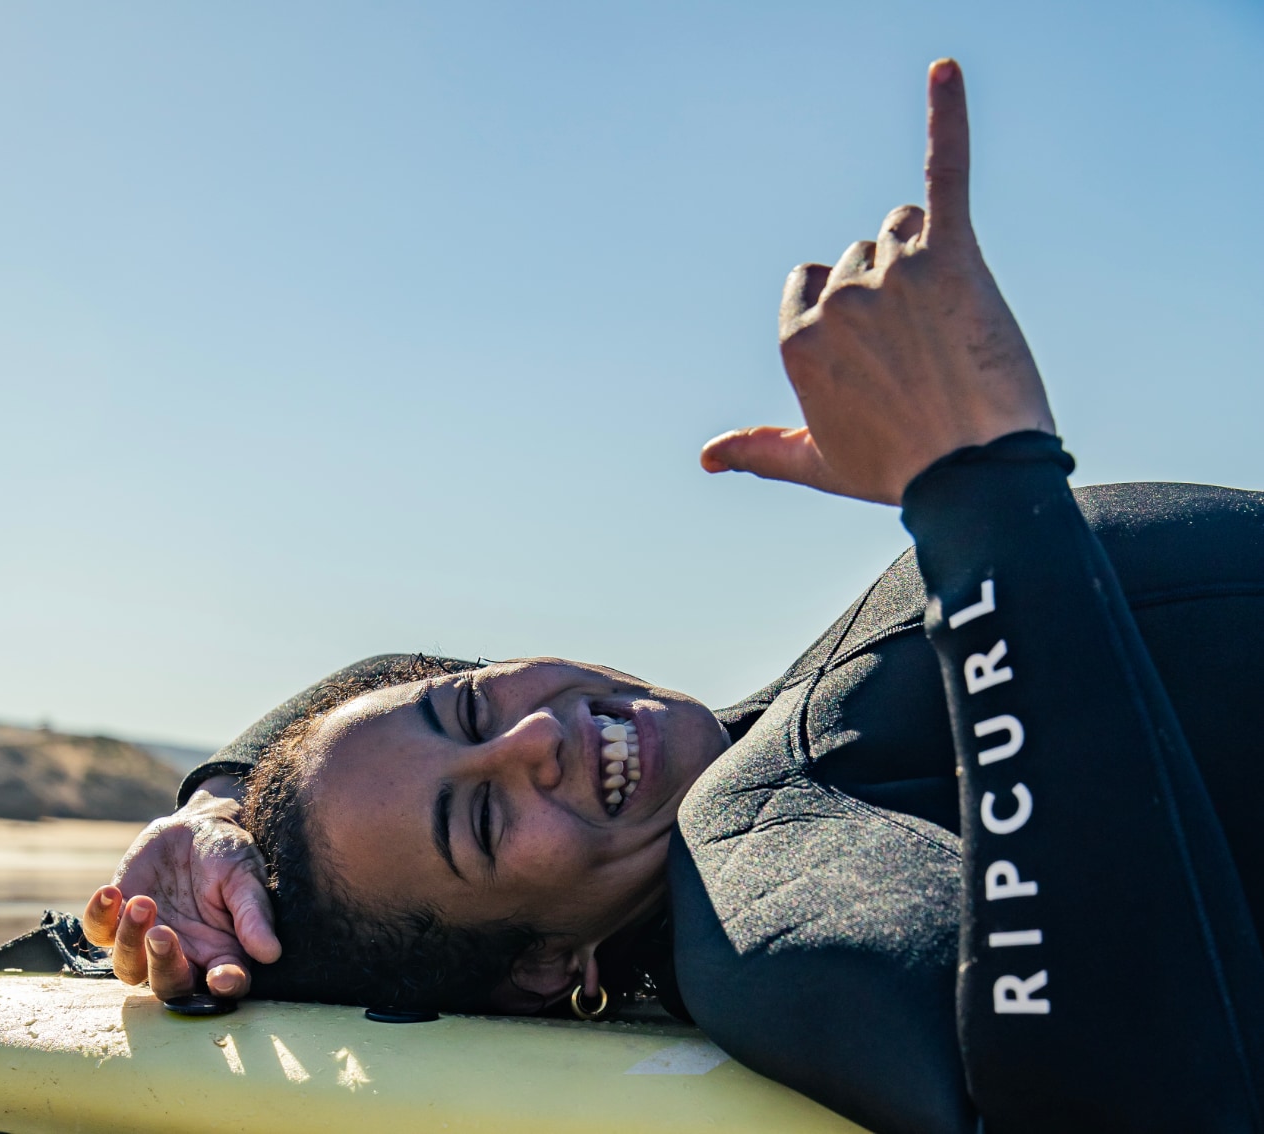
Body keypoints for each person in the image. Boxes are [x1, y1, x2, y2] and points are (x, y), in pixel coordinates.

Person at [82, 60, 1264, 1133]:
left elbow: (385, 699)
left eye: (478, 703)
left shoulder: (772, 746)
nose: (537, 735)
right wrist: (981, 485)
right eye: (484, 821)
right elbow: (1114, 1102)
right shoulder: (762, 898)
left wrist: (224, 806)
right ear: (544, 971)